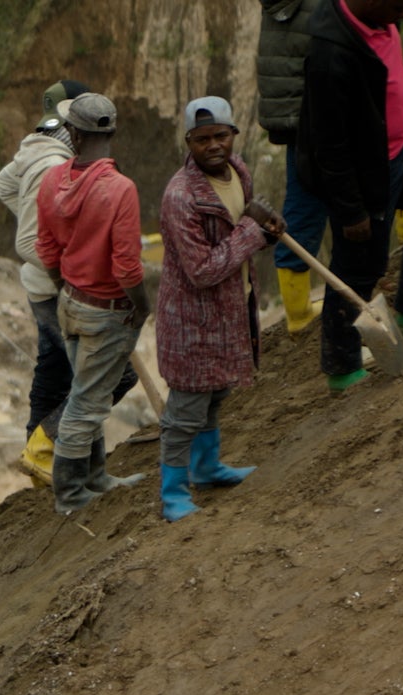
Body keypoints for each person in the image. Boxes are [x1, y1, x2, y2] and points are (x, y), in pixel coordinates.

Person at [301, 0, 403, 395]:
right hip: (361, 173)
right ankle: (341, 367)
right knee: (358, 263)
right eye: (402, 4)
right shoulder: (330, 51)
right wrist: (350, 209)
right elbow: (330, 145)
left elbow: (391, 76)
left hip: (399, 152)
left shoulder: (384, 20)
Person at [0, 79, 136, 482]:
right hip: (59, 291)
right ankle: (47, 447)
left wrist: (48, 222)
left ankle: (44, 460)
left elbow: (4, 185)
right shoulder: (51, 163)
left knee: (57, 373)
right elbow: (26, 240)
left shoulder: (34, 149)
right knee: (112, 374)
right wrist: (69, 263)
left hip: (44, 289)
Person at [153, 98, 281, 521]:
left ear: (233, 136)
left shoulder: (238, 170)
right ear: (188, 141)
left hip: (229, 310)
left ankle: (206, 468)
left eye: (221, 136)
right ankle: (173, 492)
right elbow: (203, 270)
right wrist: (252, 231)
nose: (213, 146)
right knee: (185, 409)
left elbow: (242, 224)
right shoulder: (180, 197)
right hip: (192, 320)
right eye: (202, 139)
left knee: (215, 394)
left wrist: (266, 229)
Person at [34, 92, 151, 512]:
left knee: (89, 391)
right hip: (107, 310)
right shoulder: (119, 189)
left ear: (73, 134)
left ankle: (95, 476)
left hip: (70, 301)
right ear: (111, 131)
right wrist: (142, 305)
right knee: (87, 402)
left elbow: (46, 249)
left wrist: (64, 285)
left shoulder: (52, 181)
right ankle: (69, 493)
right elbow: (126, 268)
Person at [257, 2, 328, 333]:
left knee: (305, 200)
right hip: (314, 112)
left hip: (295, 111)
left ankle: (298, 310)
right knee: (307, 202)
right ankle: (300, 314)